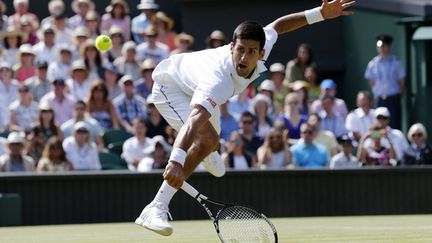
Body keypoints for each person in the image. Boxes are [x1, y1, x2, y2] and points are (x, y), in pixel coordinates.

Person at [134, 1, 355, 236]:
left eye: (251, 51)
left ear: (261, 53)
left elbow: (278, 25)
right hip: (171, 87)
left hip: (197, 86)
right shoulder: (217, 80)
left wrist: (319, 14)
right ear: (231, 47)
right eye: (240, 50)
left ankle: (207, 151)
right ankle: (156, 206)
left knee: (209, 142)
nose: (244, 57)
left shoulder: (260, 46)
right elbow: (195, 120)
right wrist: (176, 161)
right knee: (206, 138)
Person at [365, 34, 405, 129]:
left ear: (389, 46)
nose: (381, 48)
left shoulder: (396, 62)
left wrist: (398, 95)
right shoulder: (372, 64)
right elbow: (371, 81)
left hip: (393, 98)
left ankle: (394, 144)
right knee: (377, 126)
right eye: (379, 46)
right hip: (379, 99)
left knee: (394, 125)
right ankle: (378, 144)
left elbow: (402, 82)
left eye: (384, 46)